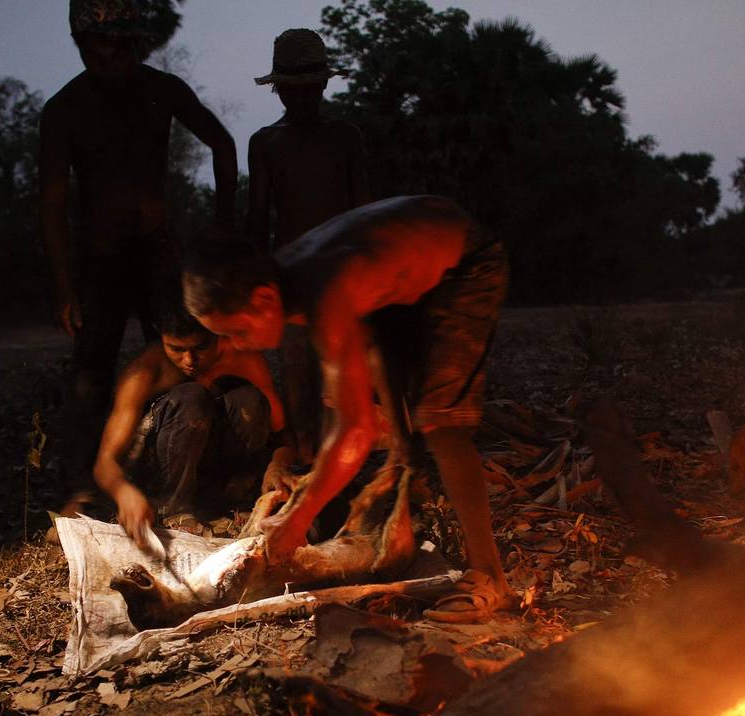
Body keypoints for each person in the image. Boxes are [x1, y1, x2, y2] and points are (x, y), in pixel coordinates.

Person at [183, 196, 511, 621]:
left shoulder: (326, 290)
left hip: (466, 261)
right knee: (372, 381)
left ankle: (490, 575)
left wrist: (300, 516)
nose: (237, 346)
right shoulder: (285, 285)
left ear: (263, 302)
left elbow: (353, 428)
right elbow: (362, 369)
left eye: (237, 332)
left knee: (441, 423)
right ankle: (403, 465)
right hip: (393, 275)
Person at [40, 0, 238, 518]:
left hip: (158, 250)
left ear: (136, 44)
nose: (113, 55)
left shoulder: (161, 90)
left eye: (123, 45)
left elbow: (221, 142)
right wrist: (64, 285)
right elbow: (53, 202)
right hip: (99, 256)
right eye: (101, 46)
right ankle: (81, 484)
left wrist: (223, 226)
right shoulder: (65, 109)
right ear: (81, 46)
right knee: (91, 370)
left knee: (178, 355)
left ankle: (175, 463)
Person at [246, 28, 371, 464]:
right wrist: (258, 282)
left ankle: (345, 464)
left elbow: (363, 212)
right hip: (290, 276)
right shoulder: (266, 143)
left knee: (343, 373)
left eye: (309, 88)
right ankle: (305, 464)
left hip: (340, 275)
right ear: (279, 89)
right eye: (291, 89)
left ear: (323, 84)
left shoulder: (345, 137)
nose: (300, 98)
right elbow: (258, 219)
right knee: (298, 374)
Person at [94, 304, 290, 545]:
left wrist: (278, 464)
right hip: (158, 481)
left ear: (216, 332)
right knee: (191, 397)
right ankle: (174, 511)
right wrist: (124, 493)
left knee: (250, 400)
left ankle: (233, 503)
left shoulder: (243, 359)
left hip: (213, 478)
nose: (189, 360)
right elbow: (105, 462)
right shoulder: (145, 372)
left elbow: (282, 438)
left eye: (201, 347)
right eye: (176, 349)